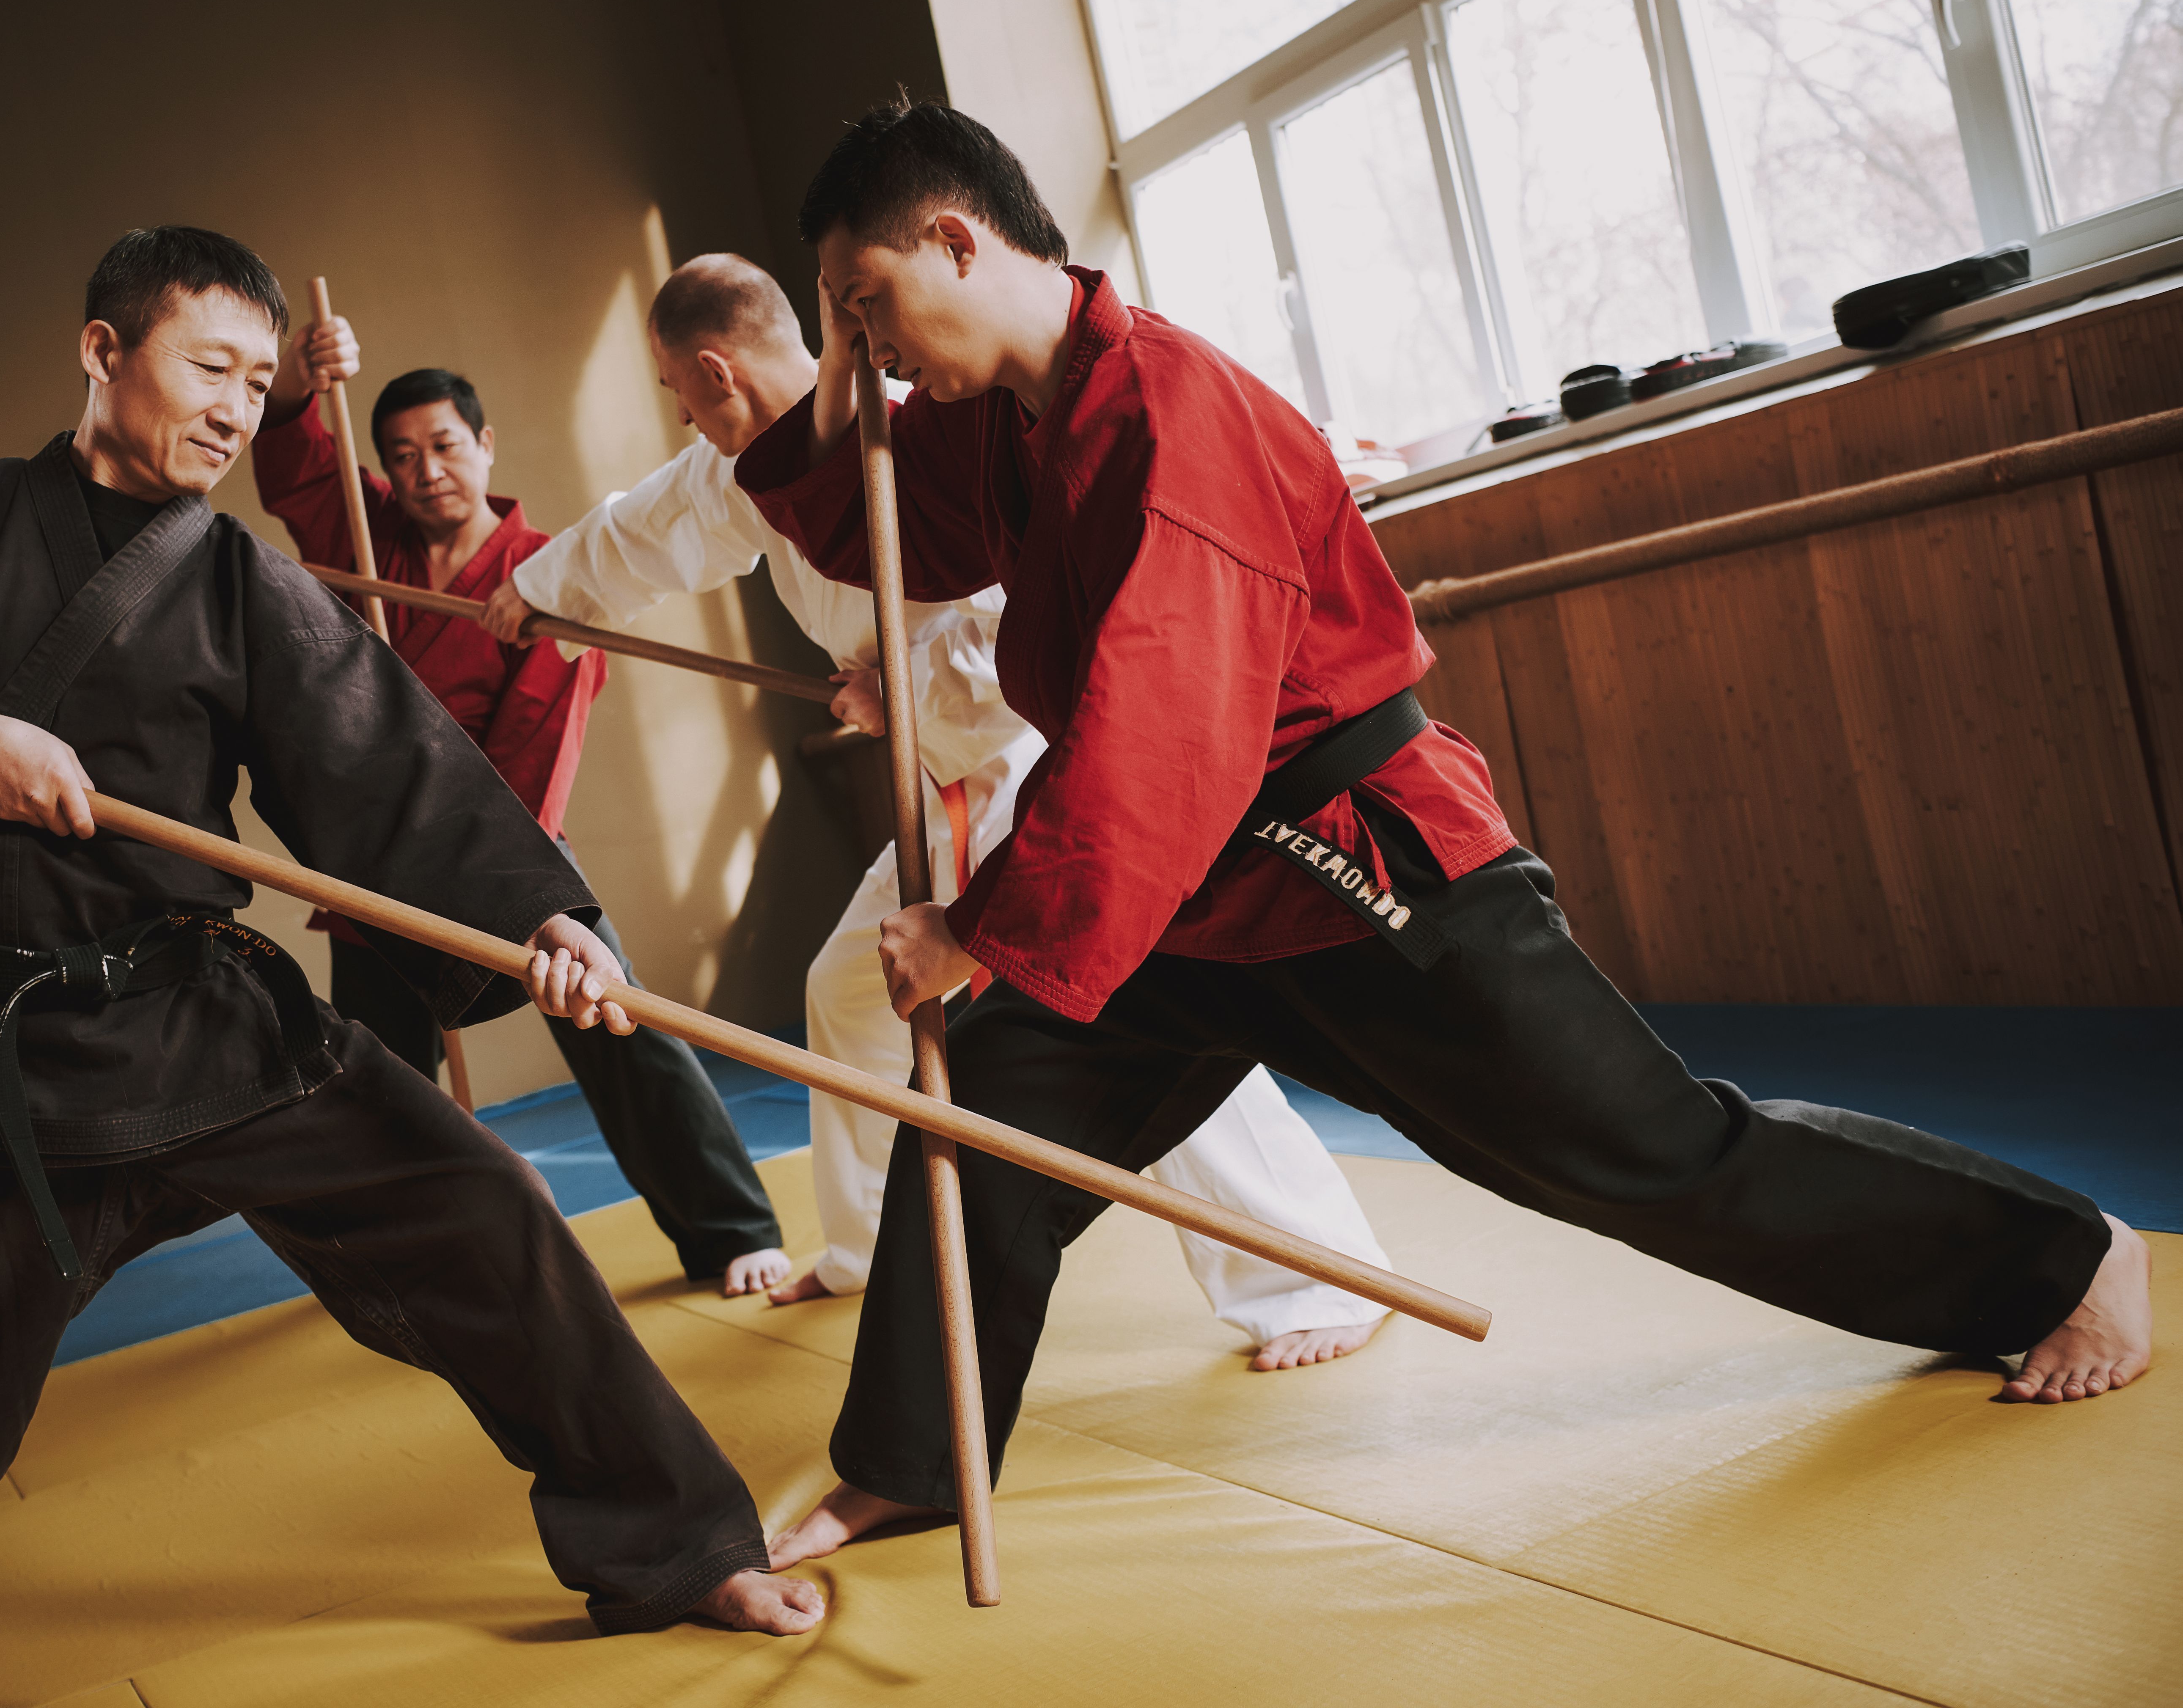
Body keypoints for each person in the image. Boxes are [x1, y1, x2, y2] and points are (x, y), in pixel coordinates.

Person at [719, 102, 2153, 1568]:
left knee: (1645, 1153)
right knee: (982, 1131)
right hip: (1191, 896)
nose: (869, 342)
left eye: (870, 302)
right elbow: (894, 533)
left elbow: (1168, 732)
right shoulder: (1004, 419)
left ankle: (2057, 1255)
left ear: (956, 240)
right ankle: (910, 1459)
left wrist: (976, 924)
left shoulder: (1170, 410)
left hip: (1349, 863)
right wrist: (829, 376)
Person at [0, 227, 821, 1703]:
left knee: (485, 1211)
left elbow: (383, 765)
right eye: (207, 367)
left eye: (255, 380)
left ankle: (679, 1545)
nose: (238, 409)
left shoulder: (235, 577)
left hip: (197, 1022)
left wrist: (543, 920)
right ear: (104, 354)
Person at [484, 253, 1392, 1369]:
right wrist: (534, 598)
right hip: (945, 786)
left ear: (716, 372)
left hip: (1043, 771)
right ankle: (868, 1247)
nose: (685, 418)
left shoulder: (917, 436)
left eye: (681, 394)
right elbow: (640, 530)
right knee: (853, 994)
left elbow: (1032, 608)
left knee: (1126, 1015)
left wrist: (905, 681)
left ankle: (1312, 1277)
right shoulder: (746, 471)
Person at [250, 340, 792, 1297]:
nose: (426, 472)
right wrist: (300, 375)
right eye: (403, 455)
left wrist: (487, 872)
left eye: (446, 446)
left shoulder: (548, 580)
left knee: (618, 1023)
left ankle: (731, 1229)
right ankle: (407, 1264)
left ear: (486, 445)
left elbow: (539, 748)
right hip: (374, 853)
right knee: (373, 1075)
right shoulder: (369, 539)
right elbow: (294, 463)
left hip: (504, 842)